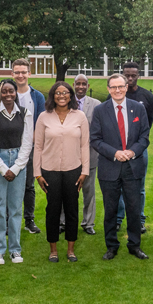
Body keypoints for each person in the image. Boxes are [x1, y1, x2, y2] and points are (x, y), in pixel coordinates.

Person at [91, 74, 151, 260]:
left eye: (121, 86)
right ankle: (111, 246)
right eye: (113, 87)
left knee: (134, 209)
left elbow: (144, 137)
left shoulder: (138, 108)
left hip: (133, 166)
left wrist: (132, 152)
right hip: (110, 166)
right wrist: (115, 153)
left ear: (126, 87)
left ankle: (134, 245)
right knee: (110, 209)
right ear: (108, 89)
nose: (117, 90)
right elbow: (95, 139)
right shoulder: (100, 110)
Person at [34, 81, 91, 262]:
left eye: (65, 92)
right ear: (52, 95)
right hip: (49, 170)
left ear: (70, 95)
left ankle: (71, 249)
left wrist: (84, 171)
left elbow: (85, 145)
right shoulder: (44, 117)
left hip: (73, 169)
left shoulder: (80, 116)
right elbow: (38, 146)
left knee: (72, 208)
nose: (61, 96)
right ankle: (53, 250)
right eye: (58, 93)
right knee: (52, 209)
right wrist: (37, 173)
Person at [0, 79, 33, 266]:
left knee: (16, 209)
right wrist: (3, 169)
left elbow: (27, 144)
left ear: (16, 92)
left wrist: (16, 167)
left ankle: (15, 249)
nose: (8, 94)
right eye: (4, 91)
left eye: (11, 91)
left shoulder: (25, 114)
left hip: (18, 161)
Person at [115, 62, 153, 234]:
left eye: (133, 75)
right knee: (117, 185)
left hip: (138, 150)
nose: (130, 78)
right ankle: (118, 219)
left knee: (139, 187)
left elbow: (147, 126)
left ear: (138, 75)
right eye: (127, 75)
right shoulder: (117, 95)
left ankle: (139, 219)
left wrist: (137, 147)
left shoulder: (146, 96)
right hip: (117, 149)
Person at [11, 59, 46, 235]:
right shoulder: (8, 94)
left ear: (29, 74)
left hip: (31, 146)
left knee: (28, 186)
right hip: (11, 146)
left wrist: (31, 142)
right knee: (10, 184)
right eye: (17, 72)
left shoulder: (37, 97)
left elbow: (40, 122)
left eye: (23, 72)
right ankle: (10, 221)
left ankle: (29, 220)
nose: (20, 75)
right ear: (12, 74)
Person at [63, 74, 100, 235]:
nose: (81, 87)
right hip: (68, 155)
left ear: (88, 85)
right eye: (78, 84)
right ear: (73, 85)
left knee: (89, 191)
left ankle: (88, 223)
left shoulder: (97, 105)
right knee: (66, 190)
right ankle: (63, 222)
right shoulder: (65, 103)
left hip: (90, 155)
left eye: (84, 84)